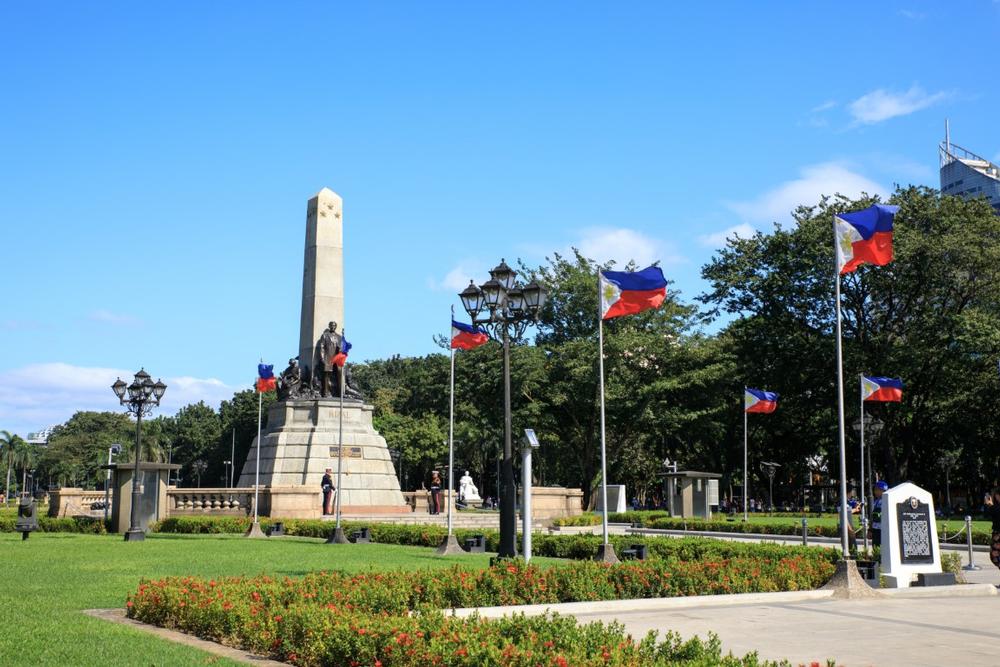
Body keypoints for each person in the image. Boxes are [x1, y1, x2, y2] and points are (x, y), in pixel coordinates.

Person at [983, 488, 1000, 572]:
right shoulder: (995, 507)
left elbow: (987, 514)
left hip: (998, 536)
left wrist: (988, 505)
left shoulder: (995, 508)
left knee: (994, 556)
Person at [870, 480, 888, 547]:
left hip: (883, 529)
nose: (875, 492)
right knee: (875, 547)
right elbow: (872, 516)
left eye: (877, 490)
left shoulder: (887, 501)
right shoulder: (876, 501)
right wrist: (870, 530)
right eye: (875, 490)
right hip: (875, 529)